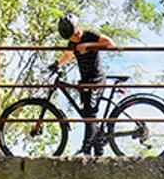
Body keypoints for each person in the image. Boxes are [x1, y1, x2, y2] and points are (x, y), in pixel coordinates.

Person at [49, 14, 116, 155]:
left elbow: (111, 44)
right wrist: (57, 65)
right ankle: (98, 148)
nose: (76, 36)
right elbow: (68, 55)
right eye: (72, 37)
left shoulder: (90, 35)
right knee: (87, 113)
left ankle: (86, 149)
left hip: (96, 79)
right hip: (85, 80)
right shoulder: (72, 44)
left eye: (76, 32)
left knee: (90, 114)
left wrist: (89, 45)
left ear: (78, 26)